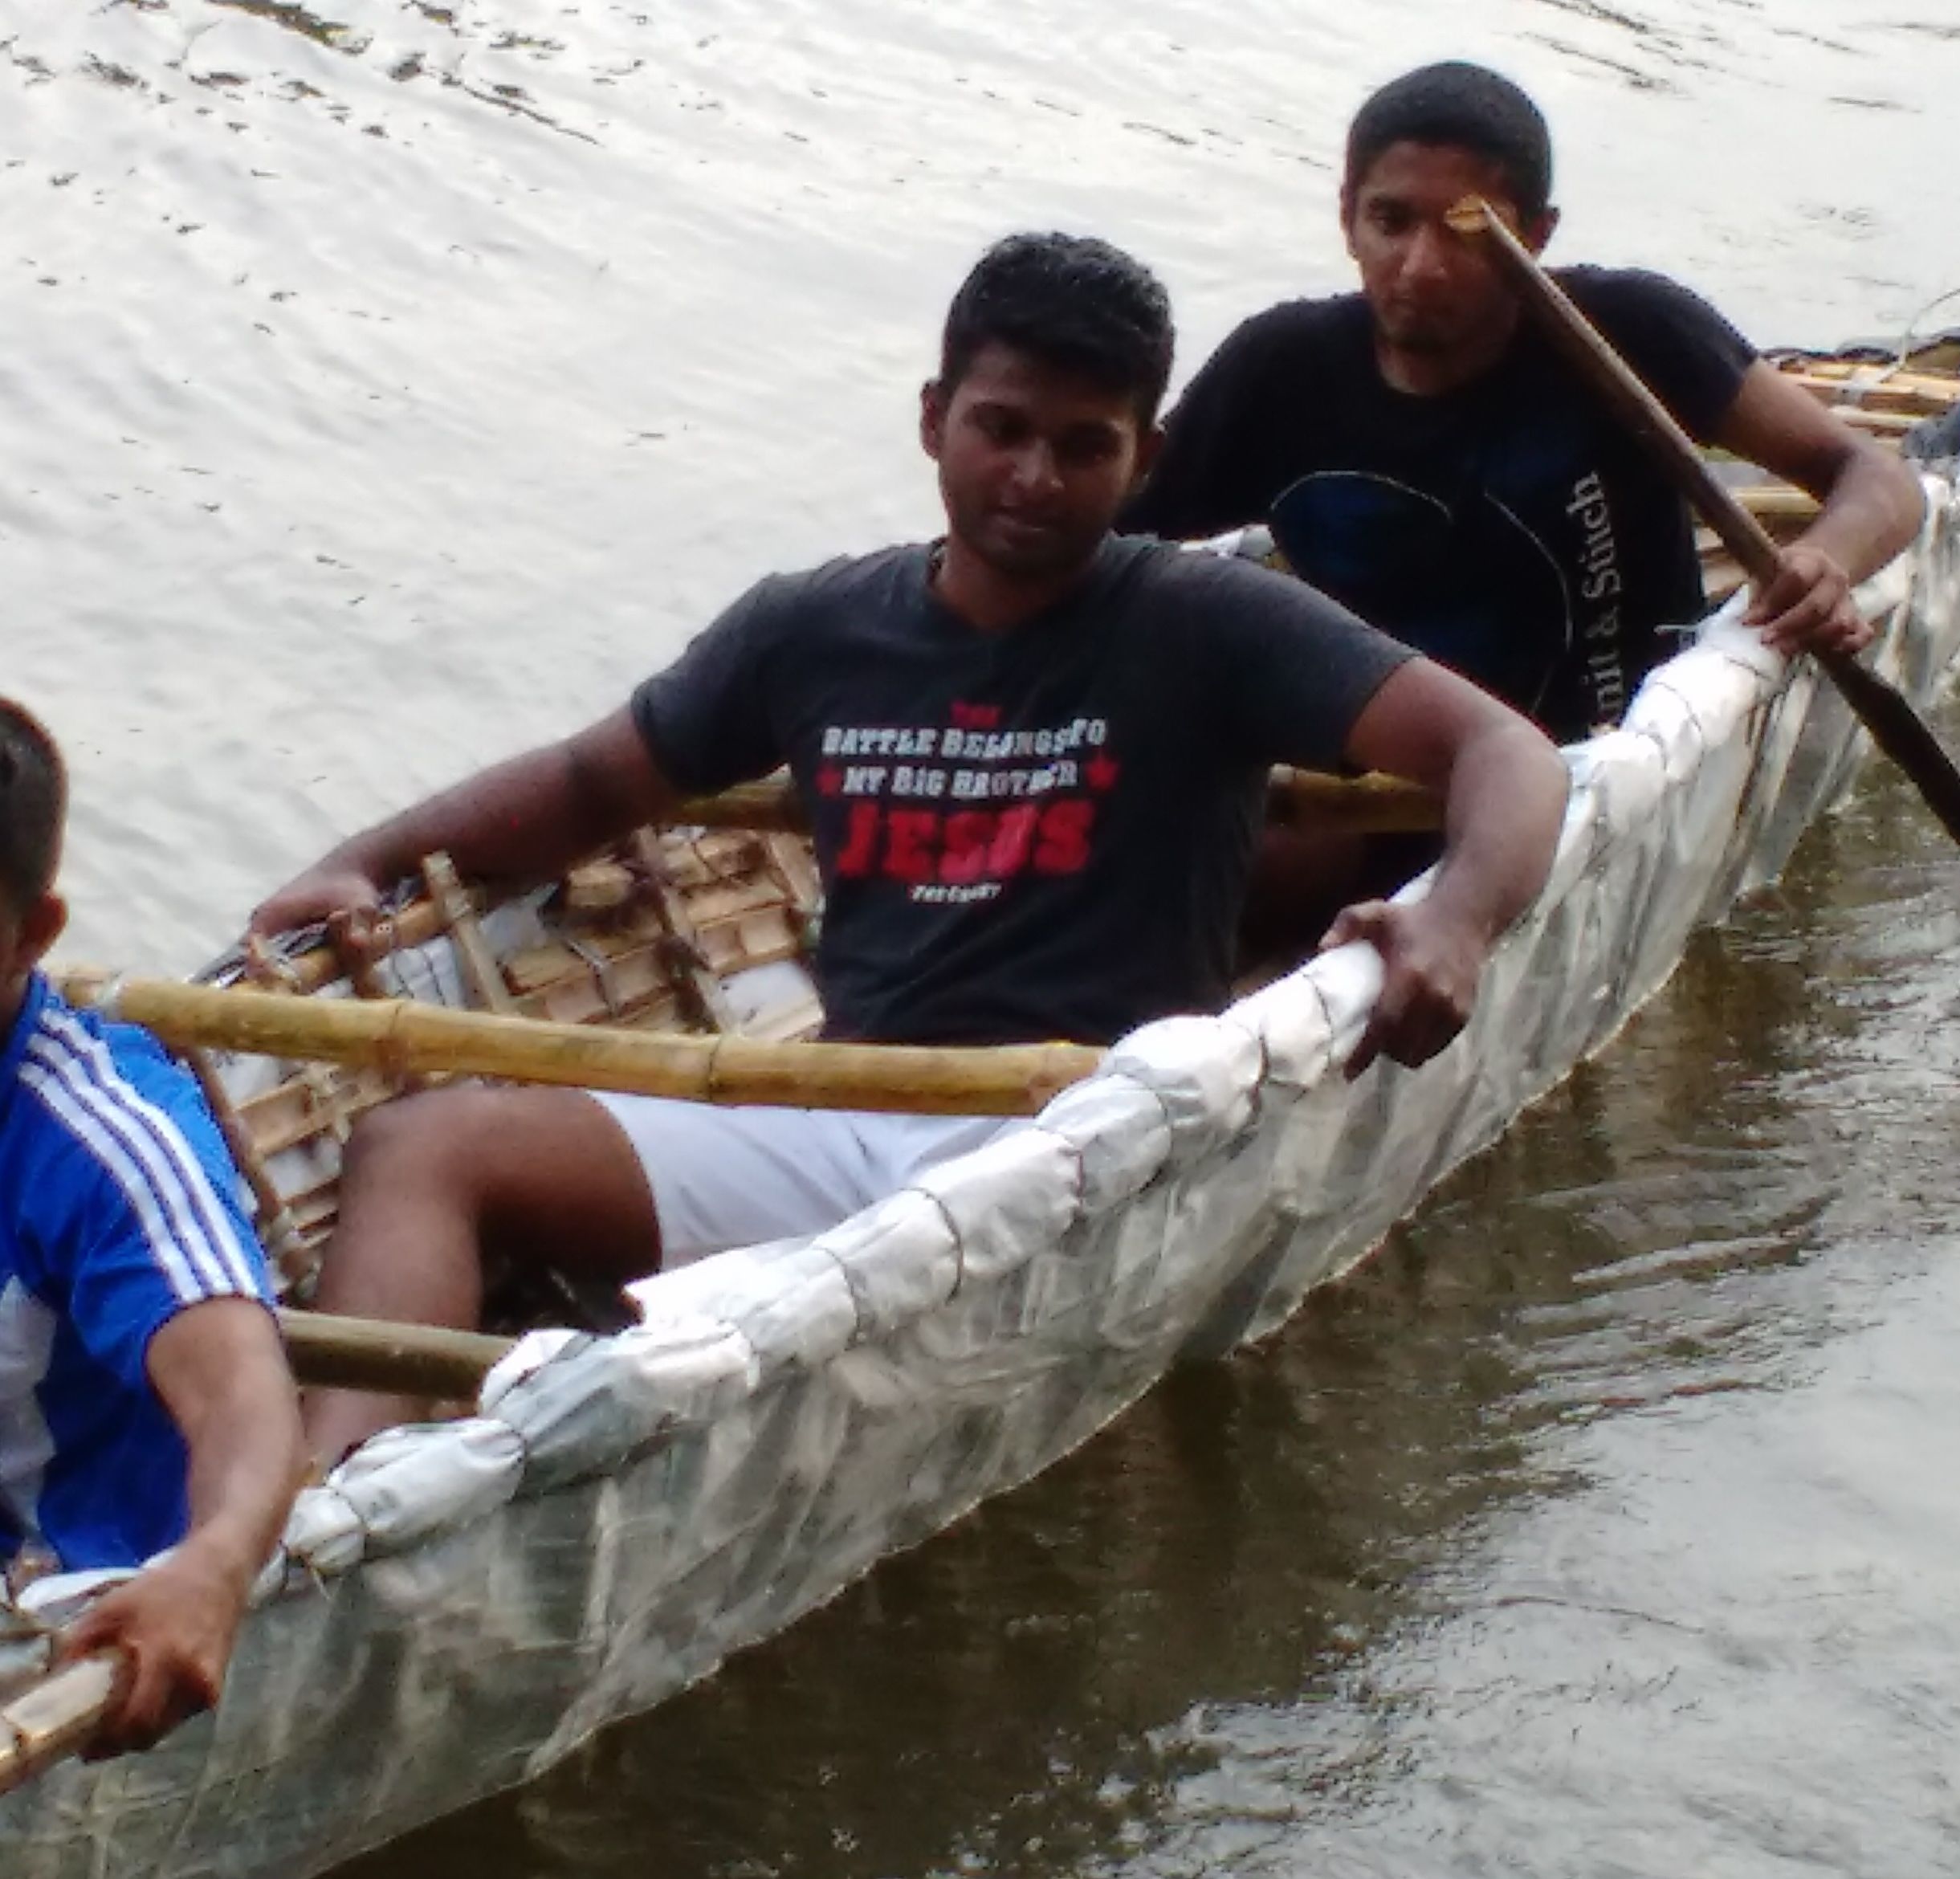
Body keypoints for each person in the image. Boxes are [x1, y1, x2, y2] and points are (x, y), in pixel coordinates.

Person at [246, 232, 1571, 1468]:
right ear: (935, 418)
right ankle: (333, 1500)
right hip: (841, 1107)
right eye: (1001, 431)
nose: (1035, 480)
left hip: (1065, 1140)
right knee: (421, 1146)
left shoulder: (1205, 621)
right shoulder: (814, 628)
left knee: (714, 1345)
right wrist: (367, 857)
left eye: (1082, 446)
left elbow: (1503, 754)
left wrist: (1452, 920)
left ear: (1145, 460)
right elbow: (596, 781)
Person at [1123, 60, 1928, 744]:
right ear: (1346, 218)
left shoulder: (1623, 334)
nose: (1419, 266)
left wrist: (1825, 563)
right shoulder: (1279, 369)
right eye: (1390, 221)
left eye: (1464, 230)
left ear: (1535, 237)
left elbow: (1874, 477)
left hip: (1606, 761)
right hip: (1369, 756)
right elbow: (1107, 541)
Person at [0, 699, 304, 1755]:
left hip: (59, 1592)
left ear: (31, 938)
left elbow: (243, 1397)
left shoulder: (104, 1141)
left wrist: (216, 1568)